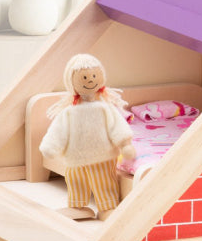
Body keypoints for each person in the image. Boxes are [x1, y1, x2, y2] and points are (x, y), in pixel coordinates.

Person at [39, 53, 136, 220]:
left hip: (103, 156)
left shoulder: (105, 108)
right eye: (84, 77)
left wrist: (125, 144)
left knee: (104, 181)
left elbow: (117, 126)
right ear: (72, 82)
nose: (90, 80)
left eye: (94, 76)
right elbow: (58, 131)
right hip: (76, 157)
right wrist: (50, 146)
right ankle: (77, 206)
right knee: (76, 180)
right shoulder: (69, 111)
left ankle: (107, 206)